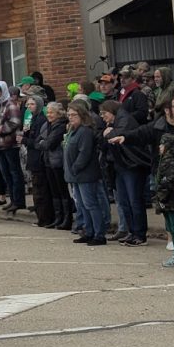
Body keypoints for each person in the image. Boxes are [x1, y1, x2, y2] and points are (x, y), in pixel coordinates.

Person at [112, 93, 174, 266]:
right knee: (171, 216)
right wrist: (125, 137)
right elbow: (139, 133)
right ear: (167, 110)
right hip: (165, 177)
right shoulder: (158, 126)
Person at [100, 100, 151, 246]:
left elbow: (119, 135)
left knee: (135, 200)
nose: (103, 117)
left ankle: (140, 234)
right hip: (121, 165)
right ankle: (132, 231)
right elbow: (104, 141)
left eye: (104, 113)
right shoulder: (112, 123)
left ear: (112, 111)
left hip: (133, 165)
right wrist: (107, 133)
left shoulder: (125, 119)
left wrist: (109, 133)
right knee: (123, 201)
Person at [64, 101, 106, 246]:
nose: (70, 117)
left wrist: (75, 167)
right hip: (75, 174)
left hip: (85, 174)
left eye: (73, 115)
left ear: (82, 115)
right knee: (82, 205)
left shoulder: (85, 131)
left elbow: (85, 153)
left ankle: (99, 234)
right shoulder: (73, 130)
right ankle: (88, 232)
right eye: (69, 115)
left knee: (90, 204)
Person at [0, 81, 25, 215]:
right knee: (6, 174)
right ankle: (12, 200)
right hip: (1, 146)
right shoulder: (0, 106)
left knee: (14, 173)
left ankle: (18, 200)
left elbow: (15, 122)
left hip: (10, 144)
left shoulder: (10, 105)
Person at [36, 102, 70, 230]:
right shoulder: (47, 125)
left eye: (51, 112)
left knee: (62, 190)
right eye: (48, 112)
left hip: (58, 161)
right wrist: (42, 142)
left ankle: (66, 219)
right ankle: (58, 218)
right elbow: (37, 142)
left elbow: (48, 144)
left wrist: (43, 142)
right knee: (54, 191)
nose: (48, 115)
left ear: (59, 114)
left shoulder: (60, 126)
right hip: (48, 161)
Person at [23, 96, 53, 227]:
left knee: (41, 190)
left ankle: (45, 218)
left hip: (38, 158)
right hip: (33, 157)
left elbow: (36, 142)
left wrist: (24, 140)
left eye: (32, 104)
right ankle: (41, 216)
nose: (29, 107)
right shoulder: (33, 118)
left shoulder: (41, 119)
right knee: (37, 189)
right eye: (28, 104)